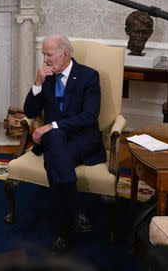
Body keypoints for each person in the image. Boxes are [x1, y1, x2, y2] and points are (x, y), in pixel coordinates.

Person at [23, 35, 106, 253]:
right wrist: (37, 83)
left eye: (49, 54)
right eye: (43, 54)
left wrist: (51, 126)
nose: (45, 59)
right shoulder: (47, 77)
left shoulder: (89, 76)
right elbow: (30, 112)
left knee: (55, 158)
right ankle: (75, 212)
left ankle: (62, 232)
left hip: (82, 138)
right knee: (56, 144)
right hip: (56, 139)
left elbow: (89, 116)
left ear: (65, 54)